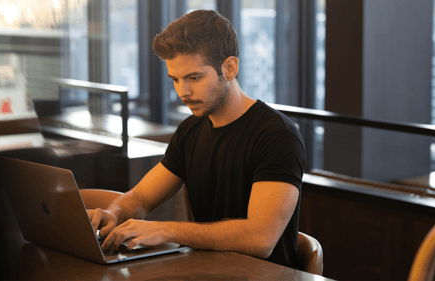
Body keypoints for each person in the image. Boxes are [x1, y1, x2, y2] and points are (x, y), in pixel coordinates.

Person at [88, 9, 306, 269]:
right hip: (206, 272)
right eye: (175, 80)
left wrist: (167, 230)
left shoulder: (277, 135)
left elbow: (260, 239)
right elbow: (142, 198)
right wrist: (113, 213)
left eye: (194, 77)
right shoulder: (189, 131)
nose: (183, 92)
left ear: (229, 68)